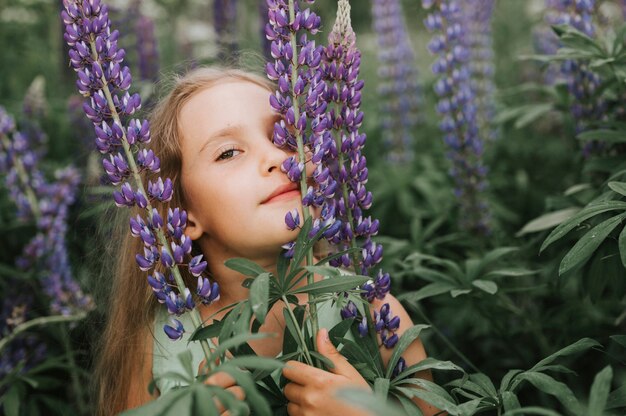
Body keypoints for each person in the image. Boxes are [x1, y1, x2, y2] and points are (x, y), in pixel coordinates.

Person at [93, 67, 438, 416]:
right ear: (183, 213)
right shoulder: (163, 342)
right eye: (228, 152)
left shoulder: (372, 308)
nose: (277, 158)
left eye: (285, 136)